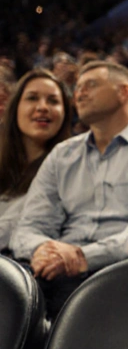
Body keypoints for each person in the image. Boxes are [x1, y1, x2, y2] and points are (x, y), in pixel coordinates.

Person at [11, 61, 128, 316]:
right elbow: (29, 226)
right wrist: (41, 250)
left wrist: (81, 257)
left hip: (123, 275)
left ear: (124, 92)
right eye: (77, 87)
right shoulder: (63, 154)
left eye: (90, 85)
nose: (79, 93)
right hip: (53, 271)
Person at [0, 69, 73, 252]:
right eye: (32, 98)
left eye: (53, 101)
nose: (43, 107)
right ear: (15, 107)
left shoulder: (72, 168)